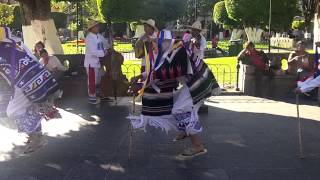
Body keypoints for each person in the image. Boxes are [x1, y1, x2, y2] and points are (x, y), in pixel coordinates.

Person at [129, 29, 219, 158]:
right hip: (192, 84)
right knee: (175, 106)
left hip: (198, 84)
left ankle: (198, 146)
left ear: (163, 43)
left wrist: (140, 85)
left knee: (180, 109)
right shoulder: (169, 52)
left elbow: (163, 73)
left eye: (154, 44)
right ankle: (185, 130)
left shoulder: (177, 51)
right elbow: (157, 70)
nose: (153, 48)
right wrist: (140, 76)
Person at [0, 27, 60, 154]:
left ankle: (36, 136)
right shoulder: (17, 45)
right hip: (35, 79)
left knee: (13, 112)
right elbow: (33, 59)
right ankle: (35, 136)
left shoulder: (3, 50)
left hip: (23, 83)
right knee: (26, 108)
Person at [84, 20, 109, 104]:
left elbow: (104, 45)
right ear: (92, 28)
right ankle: (92, 97)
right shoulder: (89, 38)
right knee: (92, 80)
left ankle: (97, 94)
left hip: (98, 62)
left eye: (98, 26)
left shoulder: (98, 36)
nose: (98, 28)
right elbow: (93, 51)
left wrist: (106, 49)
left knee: (98, 79)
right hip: (91, 63)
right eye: (96, 26)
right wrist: (103, 53)